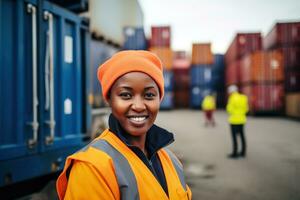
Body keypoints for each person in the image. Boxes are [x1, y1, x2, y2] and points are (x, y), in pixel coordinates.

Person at [56, 50, 192, 199]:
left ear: (159, 99)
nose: (139, 106)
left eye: (149, 95)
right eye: (126, 95)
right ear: (109, 99)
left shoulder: (172, 162)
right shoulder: (92, 167)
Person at [226, 85, 249, 159]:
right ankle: (243, 152)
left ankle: (235, 153)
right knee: (242, 136)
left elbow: (229, 110)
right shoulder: (243, 97)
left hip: (234, 121)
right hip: (242, 120)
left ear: (231, 92)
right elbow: (246, 109)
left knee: (234, 137)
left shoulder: (231, 98)